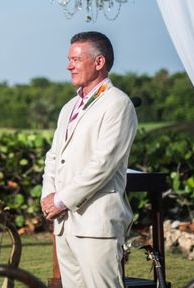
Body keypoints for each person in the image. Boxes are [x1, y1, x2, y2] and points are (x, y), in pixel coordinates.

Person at [41, 31, 137, 288]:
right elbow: (53, 156)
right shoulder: (68, 107)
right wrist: (48, 195)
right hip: (65, 224)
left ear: (99, 62)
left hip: (96, 223)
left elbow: (102, 165)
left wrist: (61, 200)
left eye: (75, 59)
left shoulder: (118, 104)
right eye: (69, 59)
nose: (68, 65)